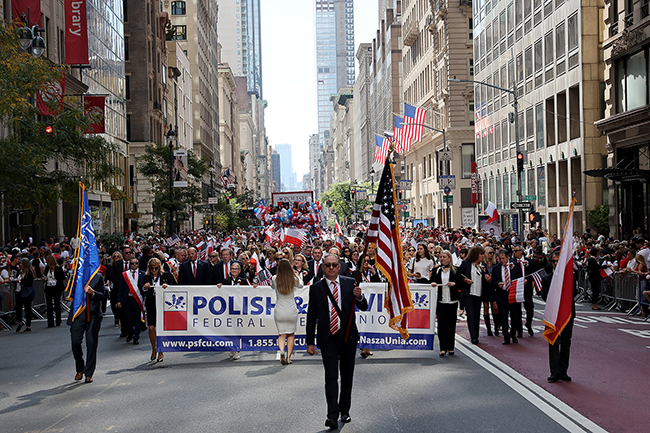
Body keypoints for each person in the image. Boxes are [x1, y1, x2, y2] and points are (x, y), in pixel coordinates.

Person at [306, 254, 368, 429]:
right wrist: (310, 342)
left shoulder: (350, 283)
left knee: (347, 376)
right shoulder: (316, 288)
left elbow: (364, 307)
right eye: (328, 265)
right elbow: (311, 317)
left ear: (339, 267)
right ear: (323, 268)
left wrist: (360, 297)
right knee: (331, 377)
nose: (331, 268)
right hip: (328, 339)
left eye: (334, 265)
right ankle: (332, 415)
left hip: (348, 337)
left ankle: (345, 410)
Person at [541, 252, 575, 383]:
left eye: (557, 261)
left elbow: (574, 292)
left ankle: (563, 371)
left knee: (566, 343)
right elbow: (544, 295)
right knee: (554, 342)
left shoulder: (570, 277)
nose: (555, 264)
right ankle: (554, 371)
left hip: (567, 315)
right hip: (553, 316)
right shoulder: (547, 278)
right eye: (553, 262)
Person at [69, 273, 106, 383]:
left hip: (93, 314)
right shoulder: (75, 275)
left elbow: (103, 295)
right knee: (75, 342)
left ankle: (89, 373)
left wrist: (93, 293)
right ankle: (80, 368)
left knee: (91, 343)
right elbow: (67, 292)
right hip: (78, 314)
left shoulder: (97, 276)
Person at [430, 250, 463, 356]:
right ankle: (443, 348)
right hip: (441, 301)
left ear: (449, 258)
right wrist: (433, 283)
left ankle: (451, 347)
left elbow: (461, 283)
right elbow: (432, 281)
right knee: (441, 325)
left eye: (444, 257)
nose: (442, 259)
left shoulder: (456, 270)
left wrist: (454, 284)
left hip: (452, 301)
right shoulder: (437, 270)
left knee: (451, 324)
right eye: (440, 257)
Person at [142, 258, 174, 362]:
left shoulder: (166, 275)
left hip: (163, 304)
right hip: (151, 304)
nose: (154, 270)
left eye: (156, 268)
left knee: (161, 328)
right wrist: (145, 287)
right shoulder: (146, 277)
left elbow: (174, 287)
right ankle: (154, 348)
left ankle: (160, 351)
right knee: (151, 328)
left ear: (159, 267)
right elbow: (142, 290)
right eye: (152, 268)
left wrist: (167, 287)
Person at [272, 259, 303, 365]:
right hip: (291, 309)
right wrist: (297, 275)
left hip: (279, 310)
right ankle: (289, 357)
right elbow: (301, 285)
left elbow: (272, 287)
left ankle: (281, 351)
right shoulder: (293, 279)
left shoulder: (274, 278)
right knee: (291, 335)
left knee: (281, 334)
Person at [458, 246, 489, 344]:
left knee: (476, 315)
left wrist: (487, 277)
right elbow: (459, 275)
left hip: (479, 293)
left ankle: (476, 334)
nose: (482, 256)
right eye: (481, 254)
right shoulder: (466, 264)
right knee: (471, 314)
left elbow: (485, 276)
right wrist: (465, 280)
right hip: (469, 293)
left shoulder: (483, 265)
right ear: (475, 254)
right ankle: (473, 336)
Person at [491, 249, 521, 345]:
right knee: (503, 316)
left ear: (508, 258)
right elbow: (493, 282)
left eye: (503, 258)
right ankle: (506, 336)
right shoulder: (496, 268)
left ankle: (513, 334)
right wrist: (497, 284)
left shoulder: (515, 266)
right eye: (500, 259)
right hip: (502, 294)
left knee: (515, 316)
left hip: (513, 294)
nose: (501, 260)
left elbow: (520, 278)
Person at [117, 258, 146, 344]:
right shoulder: (125, 274)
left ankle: (136, 336)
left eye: (136, 263)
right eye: (132, 263)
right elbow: (120, 288)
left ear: (138, 264)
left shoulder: (143, 274)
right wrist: (119, 300)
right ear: (130, 264)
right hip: (127, 299)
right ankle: (130, 332)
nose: (134, 265)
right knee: (126, 318)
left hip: (137, 300)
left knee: (137, 319)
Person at [481, 246, 500, 337]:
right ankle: (489, 329)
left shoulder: (495, 263)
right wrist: (485, 276)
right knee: (485, 307)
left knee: (495, 307)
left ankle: (497, 327)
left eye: (493, 253)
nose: (492, 255)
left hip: (493, 287)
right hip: (485, 287)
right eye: (490, 253)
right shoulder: (482, 264)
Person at [15, 258, 37, 332]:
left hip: (26, 292)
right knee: (18, 308)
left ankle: (28, 325)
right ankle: (20, 322)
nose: (20, 264)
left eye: (21, 263)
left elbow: (29, 282)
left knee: (27, 309)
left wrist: (20, 281)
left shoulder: (30, 272)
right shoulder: (19, 271)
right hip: (19, 291)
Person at [44, 255, 66, 327]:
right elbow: (45, 275)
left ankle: (58, 321)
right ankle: (50, 322)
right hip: (49, 287)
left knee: (57, 304)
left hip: (56, 287)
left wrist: (57, 280)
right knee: (49, 305)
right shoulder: (47, 268)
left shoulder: (58, 268)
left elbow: (63, 277)